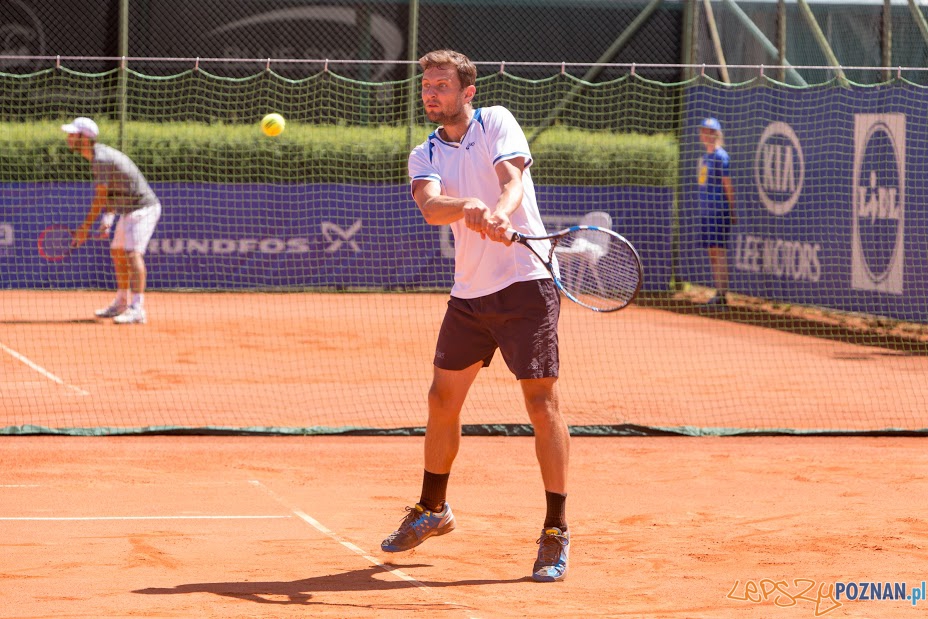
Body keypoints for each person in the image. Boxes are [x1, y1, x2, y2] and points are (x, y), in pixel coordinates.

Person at [379, 50, 571, 583]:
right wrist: (470, 210)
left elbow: (511, 181)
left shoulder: (496, 121)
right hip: (470, 294)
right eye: (425, 86)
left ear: (468, 92)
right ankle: (433, 509)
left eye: (440, 85)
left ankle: (555, 529)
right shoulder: (424, 153)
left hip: (525, 284)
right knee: (442, 399)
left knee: (540, 401)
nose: (430, 93)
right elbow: (431, 207)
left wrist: (501, 214)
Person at [62, 117, 162, 324]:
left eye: (73, 134)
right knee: (117, 252)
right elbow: (112, 193)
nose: (68, 138)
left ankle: (137, 308)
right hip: (128, 210)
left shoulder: (102, 159)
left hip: (144, 209)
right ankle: (122, 302)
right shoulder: (97, 158)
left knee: (132, 254)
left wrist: (84, 228)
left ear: (85, 138)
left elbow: (100, 198)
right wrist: (108, 217)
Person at [697, 117, 737, 306]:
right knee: (712, 252)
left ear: (716, 135)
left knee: (719, 251)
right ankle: (718, 292)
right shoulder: (705, 157)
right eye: (703, 131)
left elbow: (728, 185)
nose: (706, 134)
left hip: (718, 211)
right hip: (706, 212)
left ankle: (722, 294)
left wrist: (732, 210)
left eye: (710, 131)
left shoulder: (722, 157)